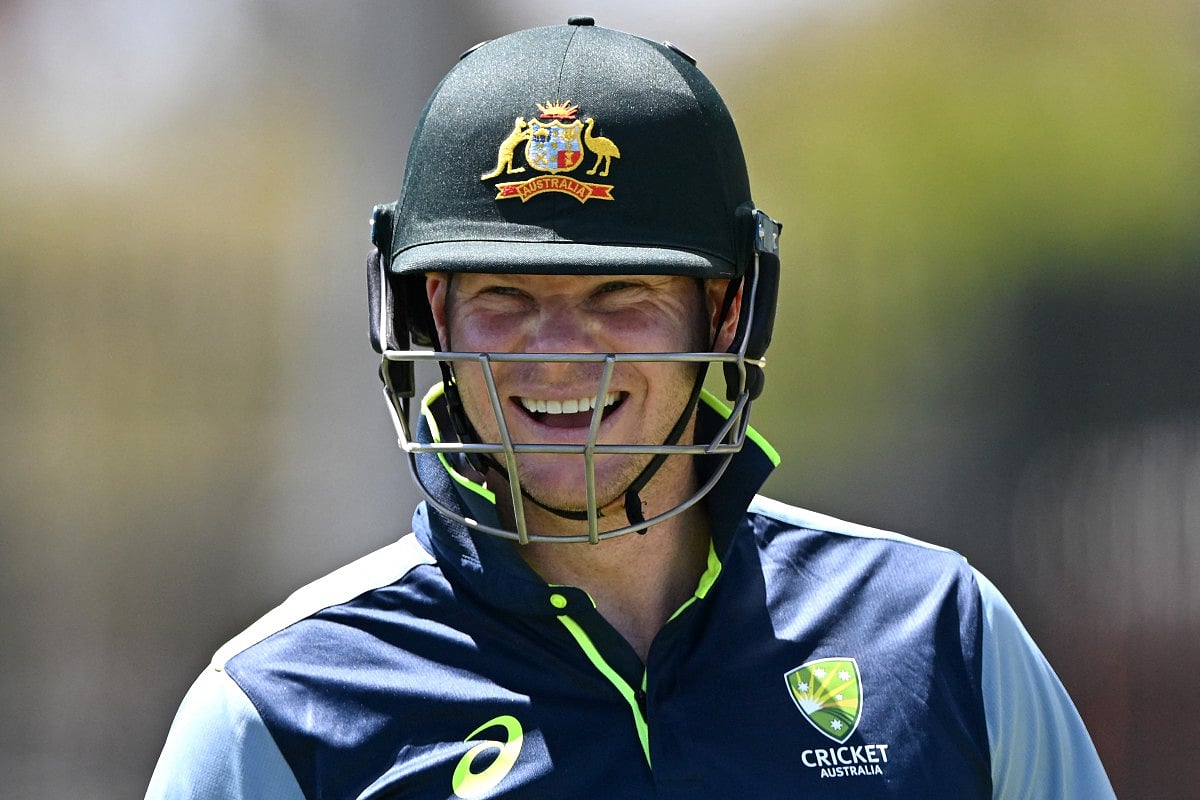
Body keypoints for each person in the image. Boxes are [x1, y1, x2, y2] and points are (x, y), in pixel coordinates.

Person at [146, 17, 1115, 799]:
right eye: (505, 300)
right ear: (431, 314)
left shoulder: (937, 633)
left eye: (623, 300)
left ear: (727, 308)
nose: (559, 355)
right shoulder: (278, 708)